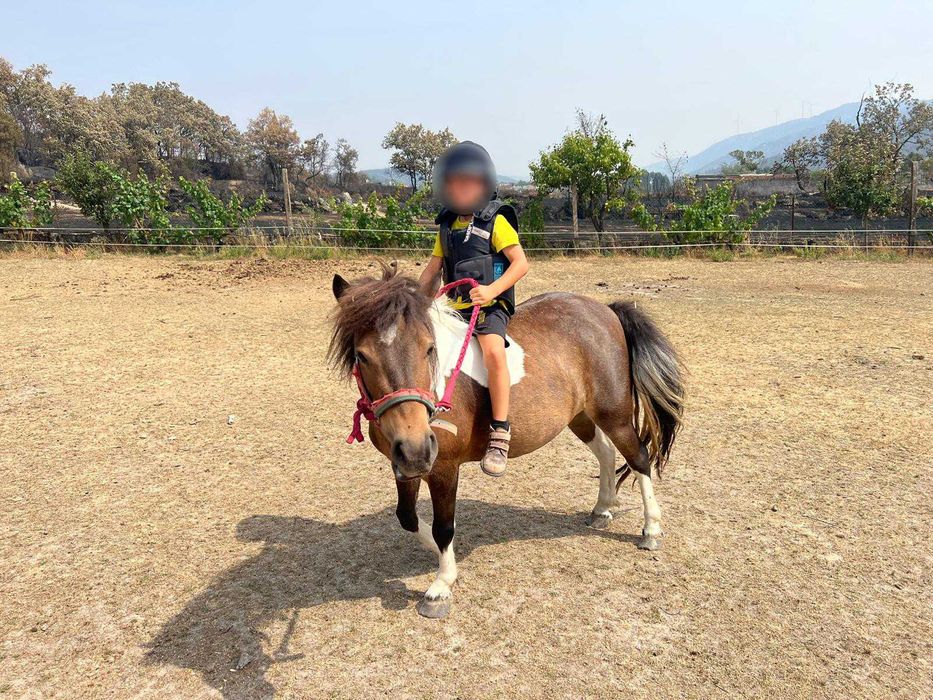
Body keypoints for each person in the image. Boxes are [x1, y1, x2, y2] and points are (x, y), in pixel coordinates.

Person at [418, 141, 529, 477]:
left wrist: (492, 290)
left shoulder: (495, 222)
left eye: (468, 183)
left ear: (484, 184)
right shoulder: (446, 226)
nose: (461, 189)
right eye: (454, 183)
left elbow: (520, 264)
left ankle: (499, 432)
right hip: (453, 307)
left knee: (493, 353)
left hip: (490, 307)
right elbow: (433, 269)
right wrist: (416, 301)